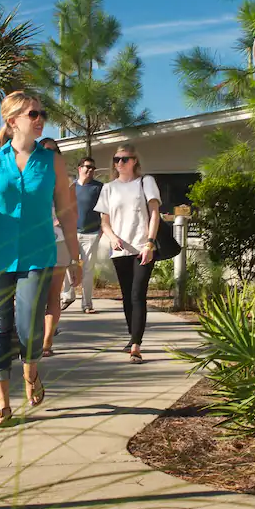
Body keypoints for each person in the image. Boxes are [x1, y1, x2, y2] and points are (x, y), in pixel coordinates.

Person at [0, 92, 82, 427]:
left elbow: (66, 211)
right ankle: (2, 403)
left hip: (38, 254)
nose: (40, 119)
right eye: (33, 114)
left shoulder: (52, 161)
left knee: (29, 325)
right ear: (13, 121)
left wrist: (74, 255)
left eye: (42, 114)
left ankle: (31, 370)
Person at [94, 143, 160, 364]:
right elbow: (104, 222)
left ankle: (136, 346)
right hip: (119, 249)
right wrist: (112, 237)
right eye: (116, 159)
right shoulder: (108, 188)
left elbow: (154, 214)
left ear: (134, 161)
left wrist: (150, 243)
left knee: (137, 294)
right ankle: (133, 335)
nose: (119, 163)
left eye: (124, 159)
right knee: (126, 296)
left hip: (143, 247)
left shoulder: (145, 182)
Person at [38, 137, 69, 357]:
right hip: (34, 244)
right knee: (33, 295)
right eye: (45, 150)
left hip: (59, 241)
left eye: (54, 150)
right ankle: (36, 337)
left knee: (53, 295)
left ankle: (47, 341)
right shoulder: (29, 176)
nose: (49, 154)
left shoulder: (64, 180)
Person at [62, 154, 103, 314]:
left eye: (93, 168)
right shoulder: (71, 188)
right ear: (80, 169)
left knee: (87, 269)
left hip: (91, 234)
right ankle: (67, 296)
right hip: (71, 234)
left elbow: (105, 210)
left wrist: (101, 230)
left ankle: (87, 304)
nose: (91, 170)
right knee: (66, 264)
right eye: (88, 167)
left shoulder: (98, 188)